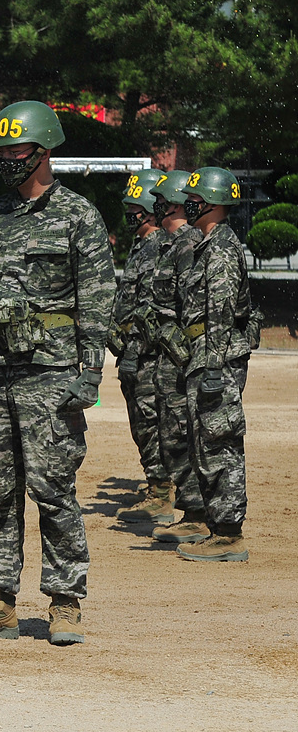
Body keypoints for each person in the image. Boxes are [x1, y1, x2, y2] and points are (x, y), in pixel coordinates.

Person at [0, 101, 113, 646]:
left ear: (43, 151)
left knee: (52, 486)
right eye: (1, 153)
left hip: (50, 374)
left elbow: (98, 297)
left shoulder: (78, 216)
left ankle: (65, 601)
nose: (7, 161)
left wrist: (90, 371)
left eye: (16, 151)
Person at [172, 167, 254, 562]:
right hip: (205, 353)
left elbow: (219, 310)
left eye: (193, 197)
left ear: (212, 202)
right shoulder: (207, 243)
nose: (187, 202)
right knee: (205, 441)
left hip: (214, 355)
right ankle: (218, 528)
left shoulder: (220, 248)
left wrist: (215, 367)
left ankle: (228, 534)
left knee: (218, 442)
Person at [143, 170, 209, 543]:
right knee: (171, 432)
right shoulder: (173, 244)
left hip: (182, 356)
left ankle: (197, 513)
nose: (156, 209)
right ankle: (190, 508)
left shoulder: (188, 244)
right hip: (167, 354)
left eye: (161, 202)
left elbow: (191, 306)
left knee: (184, 432)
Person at [109, 173, 174, 524]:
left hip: (145, 353)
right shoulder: (142, 245)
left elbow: (149, 307)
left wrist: (132, 348)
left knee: (148, 422)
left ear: (150, 209)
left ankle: (161, 493)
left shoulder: (155, 247)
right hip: (133, 350)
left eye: (135, 207)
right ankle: (159, 485)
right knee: (144, 422)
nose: (130, 213)